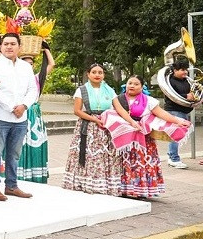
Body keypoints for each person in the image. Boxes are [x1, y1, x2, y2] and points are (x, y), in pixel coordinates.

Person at [102, 75, 191, 198]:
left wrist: (177, 121)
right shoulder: (118, 100)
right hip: (125, 141)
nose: (132, 86)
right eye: (130, 83)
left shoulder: (149, 101)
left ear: (142, 86)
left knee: (141, 165)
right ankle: (123, 189)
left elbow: (162, 114)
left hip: (143, 140)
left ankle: (141, 190)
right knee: (123, 164)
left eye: (136, 84)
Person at [0, 33, 38, 201]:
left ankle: (12, 186)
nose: (9, 46)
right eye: (5, 43)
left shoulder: (26, 67)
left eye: (13, 44)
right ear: (0, 46)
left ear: (19, 47)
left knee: (14, 154)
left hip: (20, 118)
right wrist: (12, 107)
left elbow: (33, 89)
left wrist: (24, 106)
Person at [62, 63, 122, 195]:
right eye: (94, 72)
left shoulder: (109, 90)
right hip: (88, 126)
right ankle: (83, 182)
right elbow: (77, 111)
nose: (97, 75)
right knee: (88, 154)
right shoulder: (82, 90)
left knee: (104, 154)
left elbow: (119, 109)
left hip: (105, 126)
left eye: (100, 72)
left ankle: (103, 184)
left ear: (104, 75)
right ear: (88, 74)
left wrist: (131, 122)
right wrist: (94, 119)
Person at [17, 43, 55, 183]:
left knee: (35, 146)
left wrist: (46, 49)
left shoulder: (37, 78)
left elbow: (51, 64)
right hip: (20, 113)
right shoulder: (15, 78)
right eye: (26, 63)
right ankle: (19, 174)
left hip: (34, 116)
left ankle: (35, 174)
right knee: (20, 144)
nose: (29, 66)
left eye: (31, 64)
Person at [164, 59, 195, 169]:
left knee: (178, 135)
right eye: (182, 69)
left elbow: (191, 93)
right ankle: (174, 159)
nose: (185, 72)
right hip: (174, 110)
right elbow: (170, 96)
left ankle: (172, 157)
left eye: (186, 69)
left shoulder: (186, 81)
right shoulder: (169, 81)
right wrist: (186, 96)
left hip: (183, 110)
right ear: (175, 70)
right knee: (176, 135)